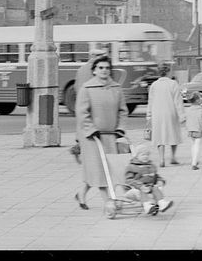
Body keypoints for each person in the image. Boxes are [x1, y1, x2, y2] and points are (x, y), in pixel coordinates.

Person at [74, 55, 130, 211]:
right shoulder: (87, 88)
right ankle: (109, 202)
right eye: (100, 68)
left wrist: (120, 128)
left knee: (106, 169)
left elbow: (123, 111)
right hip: (92, 137)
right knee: (99, 169)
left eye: (107, 68)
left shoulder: (116, 88)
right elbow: (82, 113)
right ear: (94, 71)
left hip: (111, 134)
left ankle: (81, 193)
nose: (104, 71)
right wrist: (91, 130)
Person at [146, 62, 185, 167]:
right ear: (168, 71)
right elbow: (178, 101)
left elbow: (150, 101)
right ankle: (173, 157)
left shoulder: (154, 85)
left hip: (157, 113)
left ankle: (162, 159)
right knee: (173, 134)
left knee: (159, 136)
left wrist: (149, 115)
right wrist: (182, 116)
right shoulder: (173, 84)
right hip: (170, 112)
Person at [123, 143, 173, 215]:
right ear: (137, 156)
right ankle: (147, 206)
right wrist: (140, 186)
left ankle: (162, 203)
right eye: (143, 155)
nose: (145, 157)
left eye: (147, 155)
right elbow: (128, 180)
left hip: (149, 186)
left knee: (156, 188)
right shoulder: (132, 167)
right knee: (143, 190)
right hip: (136, 188)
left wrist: (160, 180)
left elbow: (155, 176)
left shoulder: (150, 166)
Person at [184, 93, 202, 170]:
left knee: (193, 145)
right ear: (197, 100)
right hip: (199, 129)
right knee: (197, 145)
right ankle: (194, 163)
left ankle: (194, 160)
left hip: (190, 129)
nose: (201, 99)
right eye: (200, 98)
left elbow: (186, 120)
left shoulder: (188, 110)